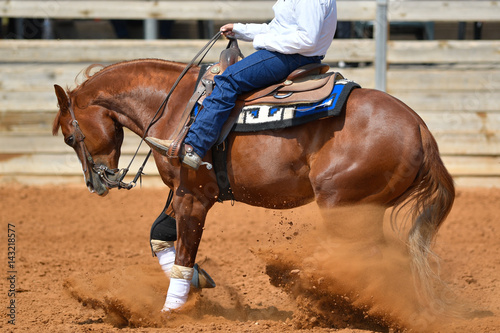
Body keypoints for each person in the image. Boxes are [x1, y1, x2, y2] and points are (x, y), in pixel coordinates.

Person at [146, 0, 338, 170]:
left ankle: (194, 147)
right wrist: (240, 29)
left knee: (228, 80)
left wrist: (262, 41)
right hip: (290, 54)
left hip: (292, 57)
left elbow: (307, 40)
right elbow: (279, 29)